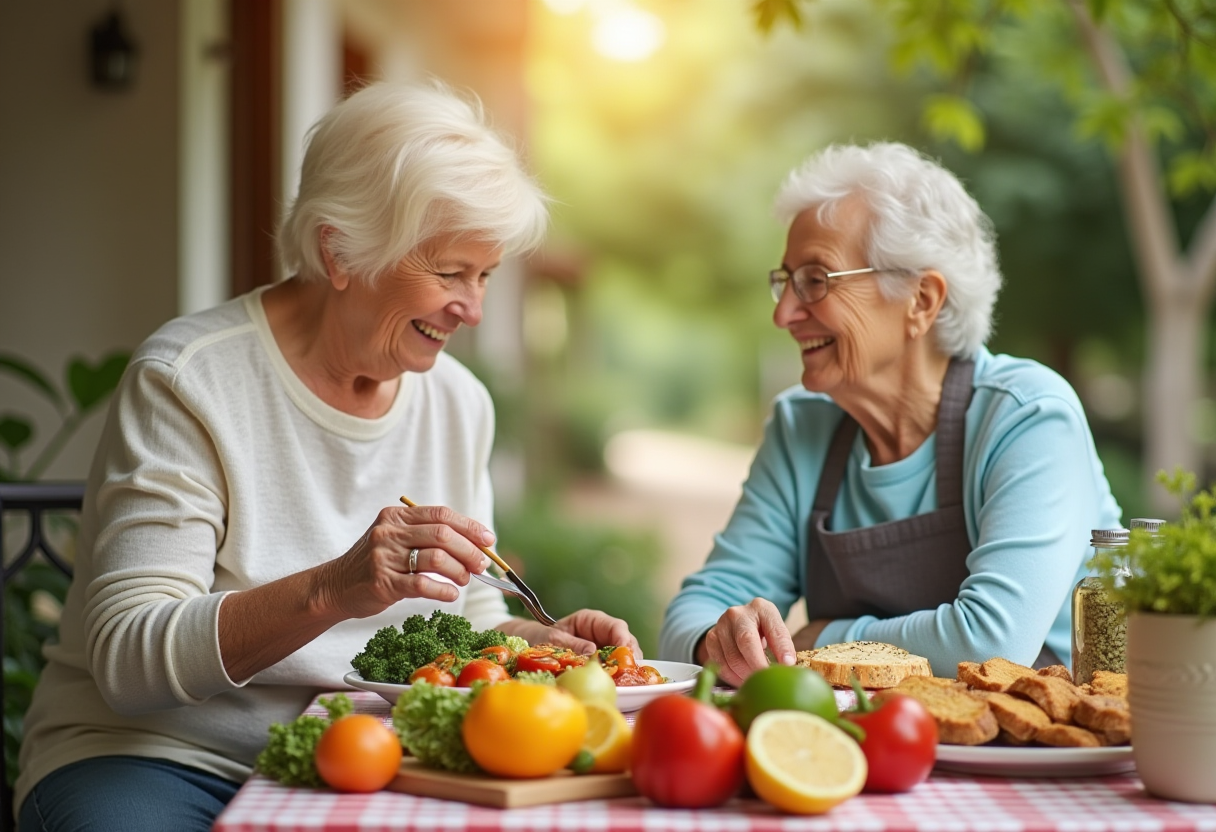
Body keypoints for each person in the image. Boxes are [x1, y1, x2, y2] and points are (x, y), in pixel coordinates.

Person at [16, 81, 639, 831]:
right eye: (448, 272)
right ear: (338, 251)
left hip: (364, 754)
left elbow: (467, 612)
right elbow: (127, 660)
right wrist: (334, 589)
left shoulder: (458, 401)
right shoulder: (190, 378)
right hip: (157, 757)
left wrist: (537, 641)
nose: (471, 309)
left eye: (485, 275)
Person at [659, 142, 1121, 687]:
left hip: (1035, 756)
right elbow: (689, 617)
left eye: (816, 279)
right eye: (785, 281)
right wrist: (719, 637)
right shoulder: (801, 426)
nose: (783, 313)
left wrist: (817, 638)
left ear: (921, 300)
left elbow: (995, 643)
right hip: (868, 749)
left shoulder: (1027, 417)